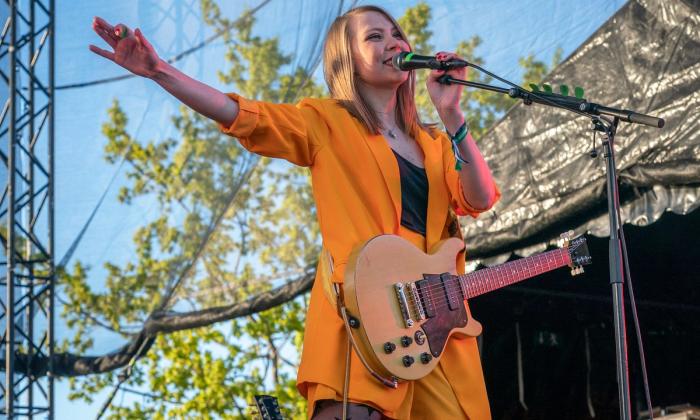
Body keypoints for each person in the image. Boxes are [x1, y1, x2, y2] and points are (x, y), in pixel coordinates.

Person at [91, 5, 499, 419]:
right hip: (368, 315)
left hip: (435, 328)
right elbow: (242, 115)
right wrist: (159, 70)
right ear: (348, 61)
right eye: (374, 37)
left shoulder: (433, 142)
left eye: (396, 33)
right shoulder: (325, 122)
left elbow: (479, 198)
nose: (394, 41)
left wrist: (453, 116)